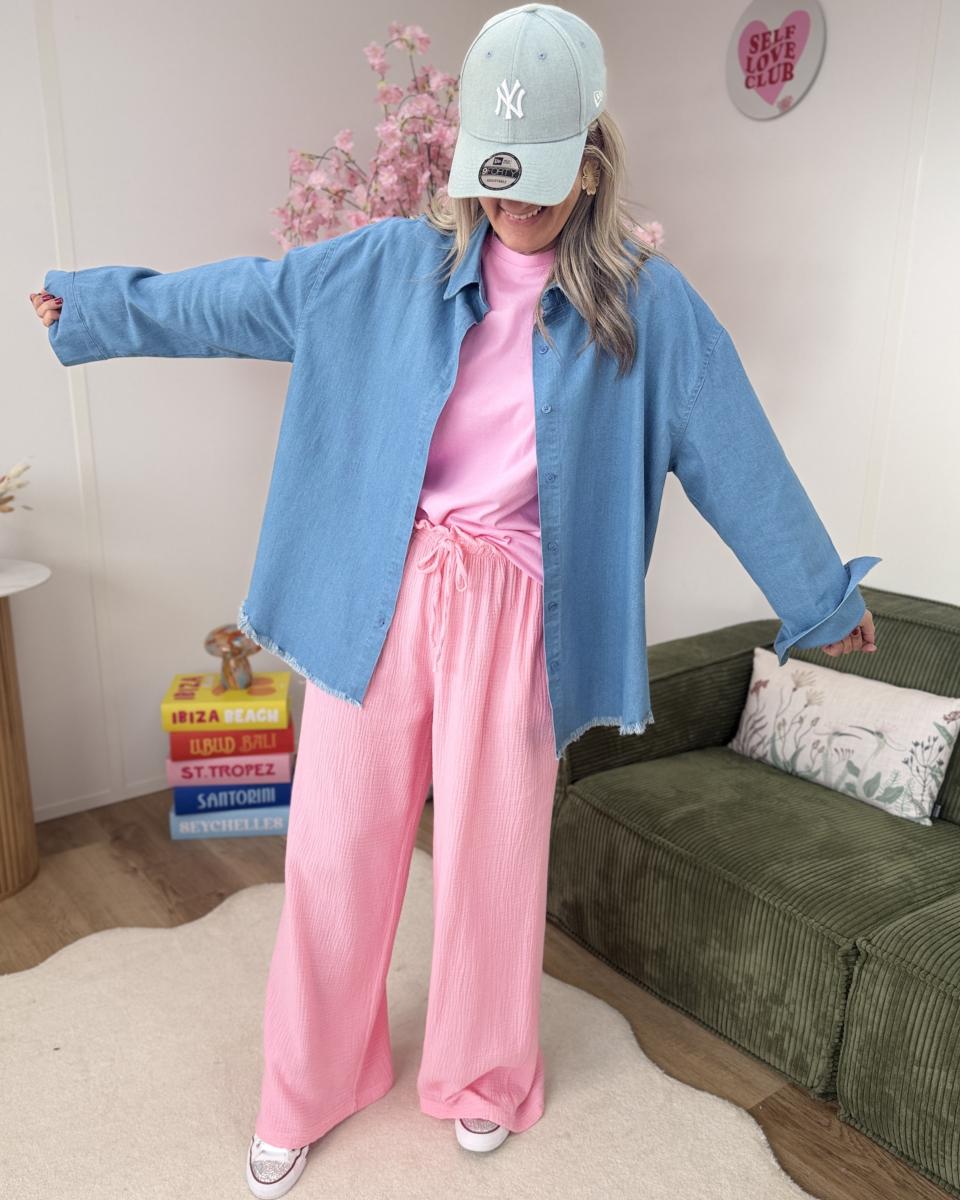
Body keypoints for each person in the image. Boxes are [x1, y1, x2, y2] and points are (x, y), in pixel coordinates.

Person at [31, 5, 880, 1196]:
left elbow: (737, 452)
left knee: (493, 863)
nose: (512, 201)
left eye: (539, 174)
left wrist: (819, 597)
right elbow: (244, 299)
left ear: (592, 163)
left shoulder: (647, 305)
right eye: (495, 171)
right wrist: (104, 309)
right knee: (336, 856)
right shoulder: (388, 266)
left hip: (518, 613)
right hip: (378, 589)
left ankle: (483, 1074)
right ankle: (306, 1086)